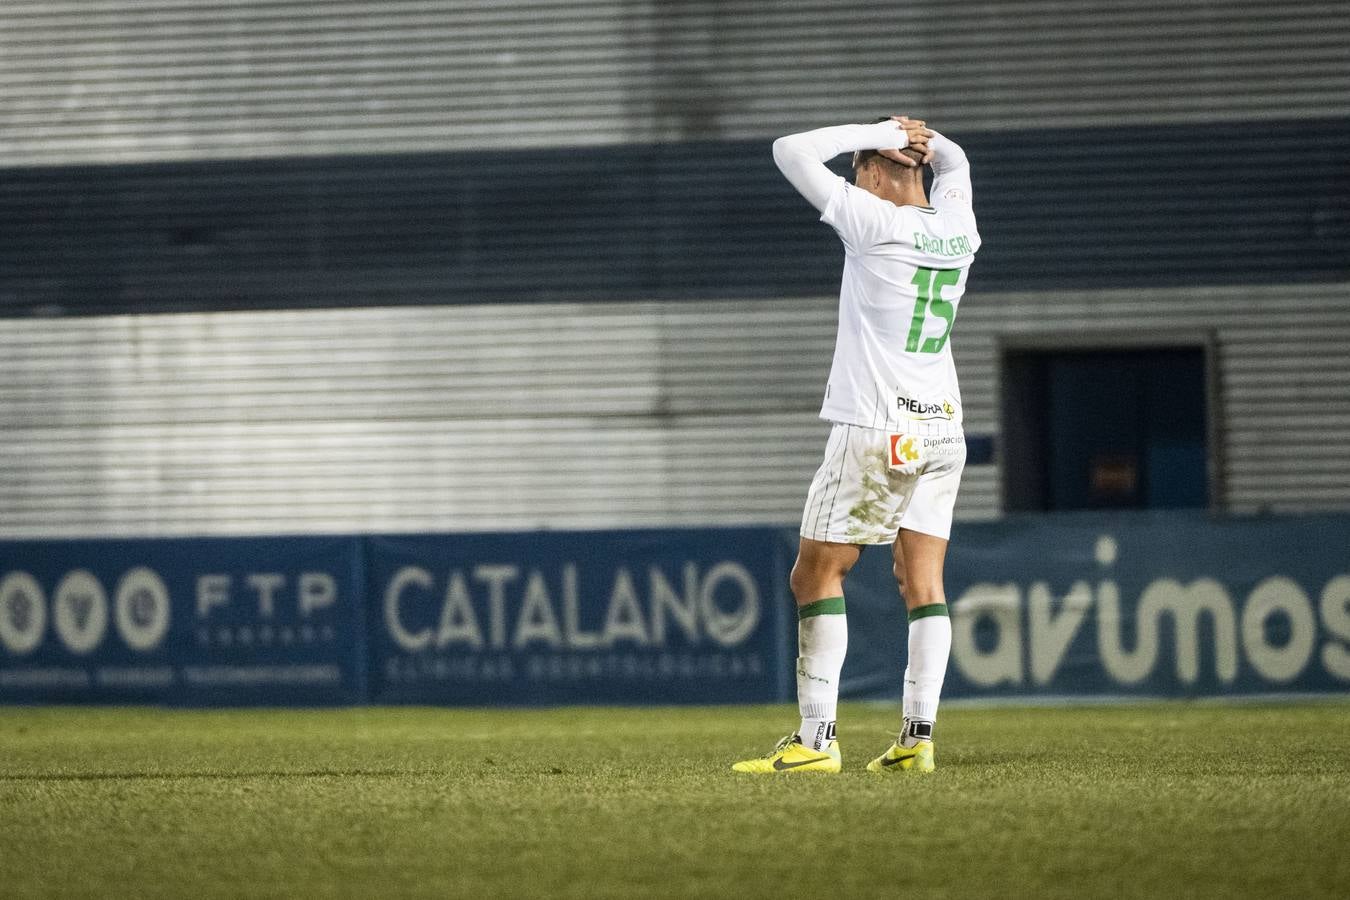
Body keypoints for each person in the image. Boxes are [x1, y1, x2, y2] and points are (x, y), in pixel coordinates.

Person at [732, 115, 980, 774]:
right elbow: (955, 164)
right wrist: (926, 141)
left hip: (879, 428)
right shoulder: (961, 227)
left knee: (815, 574)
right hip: (943, 426)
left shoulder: (873, 222)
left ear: (873, 169)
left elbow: (790, 150)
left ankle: (816, 742)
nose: (855, 181)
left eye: (859, 169)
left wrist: (880, 129)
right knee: (922, 581)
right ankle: (917, 738)